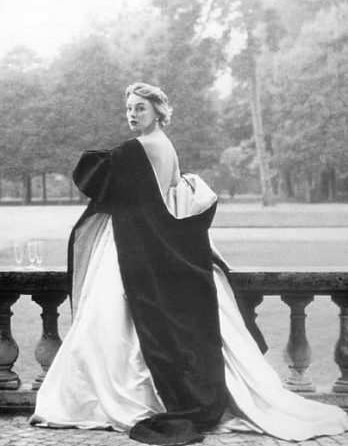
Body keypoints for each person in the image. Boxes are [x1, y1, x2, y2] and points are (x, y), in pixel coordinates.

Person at [31, 82, 348, 445]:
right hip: (143, 245)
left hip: (132, 249)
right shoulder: (166, 147)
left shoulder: (142, 147)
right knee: (119, 329)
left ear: (159, 113)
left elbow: (89, 173)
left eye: (141, 108)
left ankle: (97, 403)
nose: (133, 114)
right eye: (129, 109)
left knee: (109, 328)